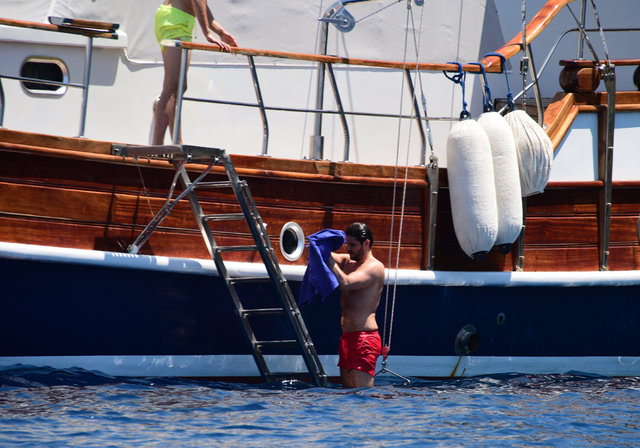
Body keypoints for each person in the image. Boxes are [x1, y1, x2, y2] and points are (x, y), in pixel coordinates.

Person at [151, 0, 238, 145]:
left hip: (183, 22)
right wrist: (207, 33)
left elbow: (202, 6)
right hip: (174, 20)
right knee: (172, 87)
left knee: (179, 87)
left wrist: (220, 32)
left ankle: (177, 142)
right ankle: (156, 147)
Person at [328, 222, 385, 388]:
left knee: (362, 397)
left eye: (352, 245)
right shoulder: (348, 262)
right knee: (348, 395)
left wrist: (331, 265)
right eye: (347, 244)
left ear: (366, 243)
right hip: (347, 338)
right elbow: (327, 256)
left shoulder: (375, 267)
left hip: (365, 339)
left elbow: (345, 282)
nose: (348, 249)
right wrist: (320, 245)